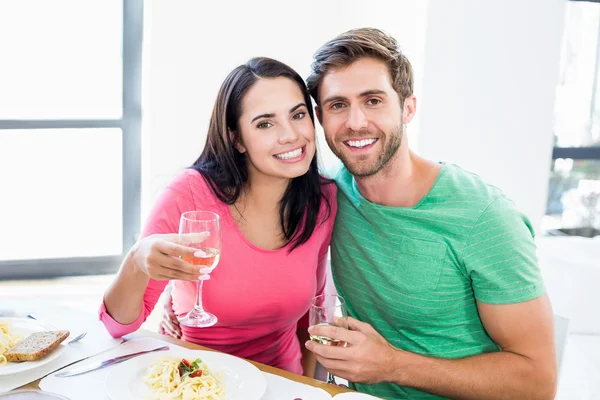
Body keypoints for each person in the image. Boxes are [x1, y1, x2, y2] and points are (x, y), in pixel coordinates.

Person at [303, 28, 557, 399]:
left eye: (373, 101)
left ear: (408, 107)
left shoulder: (484, 217)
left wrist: (391, 365)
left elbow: (538, 382)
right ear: (320, 117)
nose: (355, 122)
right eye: (338, 105)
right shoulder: (329, 192)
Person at [99, 57, 337, 378]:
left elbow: (308, 322)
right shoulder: (188, 195)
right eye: (265, 123)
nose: (291, 135)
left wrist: (309, 389)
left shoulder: (323, 199)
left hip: (281, 380)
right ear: (236, 139)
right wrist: (136, 261)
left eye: (298, 115)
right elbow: (116, 327)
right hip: (196, 381)